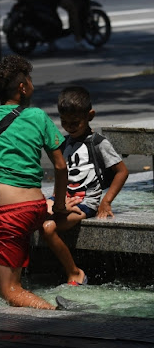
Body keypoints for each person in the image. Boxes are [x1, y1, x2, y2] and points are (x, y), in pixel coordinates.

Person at [0, 55, 69, 310]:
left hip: (13, 214)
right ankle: (3, 280)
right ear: (22, 86)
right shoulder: (38, 117)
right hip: (36, 208)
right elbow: (61, 166)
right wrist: (59, 204)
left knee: (11, 295)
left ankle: (55, 313)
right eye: (29, 79)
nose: (31, 84)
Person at [41, 85, 129, 285]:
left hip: (84, 203)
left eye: (75, 123)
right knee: (28, 216)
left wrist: (106, 201)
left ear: (90, 116)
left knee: (47, 228)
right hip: (62, 199)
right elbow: (61, 175)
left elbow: (122, 172)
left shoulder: (98, 143)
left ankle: (75, 273)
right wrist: (56, 199)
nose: (70, 127)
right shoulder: (64, 143)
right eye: (64, 122)